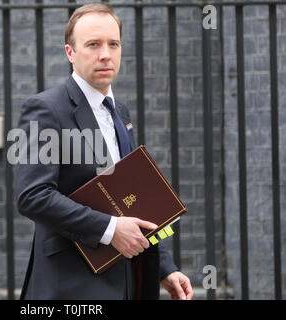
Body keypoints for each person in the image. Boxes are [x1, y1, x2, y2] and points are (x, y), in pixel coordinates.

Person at [14, 3, 193, 300]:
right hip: (71, 287)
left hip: (128, 282)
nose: (106, 54)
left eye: (114, 44)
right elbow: (31, 196)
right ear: (70, 53)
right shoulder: (44, 109)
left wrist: (165, 268)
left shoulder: (119, 112)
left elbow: (130, 200)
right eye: (93, 44)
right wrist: (110, 229)